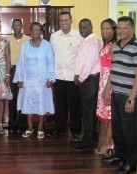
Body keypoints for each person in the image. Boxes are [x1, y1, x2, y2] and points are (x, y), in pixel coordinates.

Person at [101, 16, 137, 174]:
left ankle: (131, 162)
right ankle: (120, 155)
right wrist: (107, 89)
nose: (121, 31)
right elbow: (113, 70)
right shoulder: (115, 46)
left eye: (125, 28)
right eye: (119, 28)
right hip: (116, 94)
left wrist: (131, 99)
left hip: (130, 96)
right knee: (118, 128)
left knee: (131, 131)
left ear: (132, 29)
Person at [13, 22, 55, 139]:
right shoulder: (25, 45)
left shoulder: (47, 45)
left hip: (41, 80)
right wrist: (19, 79)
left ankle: (40, 127)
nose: (35, 31)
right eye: (33, 29)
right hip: (27, 80)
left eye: (38, 29)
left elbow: (51, 63)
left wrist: (51, 78)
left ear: (41, 32)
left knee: (41, 103)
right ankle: (30, 127)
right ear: (30, 31)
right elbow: (20, 63)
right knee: (28, 104)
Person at [48, 12, 83, 141]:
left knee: (74, 105)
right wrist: (51, 76)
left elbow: (81, 57)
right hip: (58, 76)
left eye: (66, 20)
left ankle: (75, 131)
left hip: (73, 77)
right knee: (60, 105)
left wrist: (80, 74)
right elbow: (51, 56)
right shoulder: (54, 36)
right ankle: (59, 129)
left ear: (71, 20)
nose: (64, 23)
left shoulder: (79, 36)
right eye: (61, 20)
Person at [72, 18, 102, 151]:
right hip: (85, 78)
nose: (82, 30)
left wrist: (81, 77)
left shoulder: (93, 42)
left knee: (88, 112)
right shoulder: (85, 41)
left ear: (91, 27)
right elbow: (81, 60)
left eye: (85, 27)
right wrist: (77, 74)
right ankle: (91, 137)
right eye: (80, 27)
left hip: (90, 79)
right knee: (87, 110)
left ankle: (88, 142)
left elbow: (89, 63)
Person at [94, 18, 117, 154]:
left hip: (110, 83)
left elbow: (114, 68)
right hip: (104, 82)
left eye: (108, 28)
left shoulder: (114, 45)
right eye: (103, 28)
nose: (104, 31)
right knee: (109, 114)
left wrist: (107, 88)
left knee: (111, 115)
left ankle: (107, 142)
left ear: (114, 30)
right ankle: (110, 142)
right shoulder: (107, 44)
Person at [7, 19, 30, 133]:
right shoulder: (7, 39)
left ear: (22, 26)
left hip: (24, 71)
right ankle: (11, 123)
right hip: (11, 70)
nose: (16, 27)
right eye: (14, 25)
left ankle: (22, 123)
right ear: (12, 26)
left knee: (23, 97)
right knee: (12, 98)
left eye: (18, 25)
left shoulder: (28, 39)